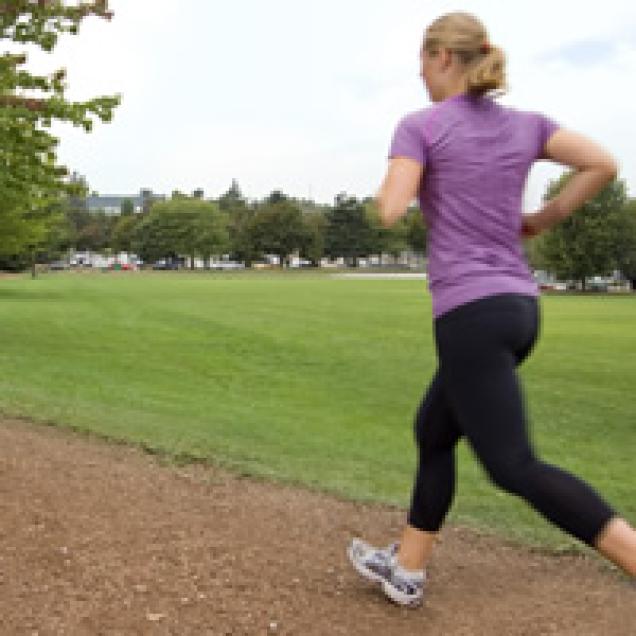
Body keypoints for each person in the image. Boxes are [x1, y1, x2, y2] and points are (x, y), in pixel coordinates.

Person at [347, 11, 636, 608]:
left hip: (469, 315)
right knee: (434, 431)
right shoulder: (528, 126)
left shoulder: (420, 127)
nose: (421, 77)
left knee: (513, 466)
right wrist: (542, 220)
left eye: (423, 63)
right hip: (517, 309)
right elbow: (603, 162)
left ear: (444, 59)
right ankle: (408, 566)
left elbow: (391, 209)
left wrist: (387, 191)